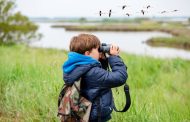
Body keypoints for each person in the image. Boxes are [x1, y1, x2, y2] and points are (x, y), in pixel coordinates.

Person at [63, 33, 128, 122]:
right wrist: (114, 57)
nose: (100, 51)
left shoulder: (76, 66)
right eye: (98, 49)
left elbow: (99, 77)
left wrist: (102, 60)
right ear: (87, 53)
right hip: (95, 115)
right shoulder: (92, 72)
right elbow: (120, 77)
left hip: (85, 112)